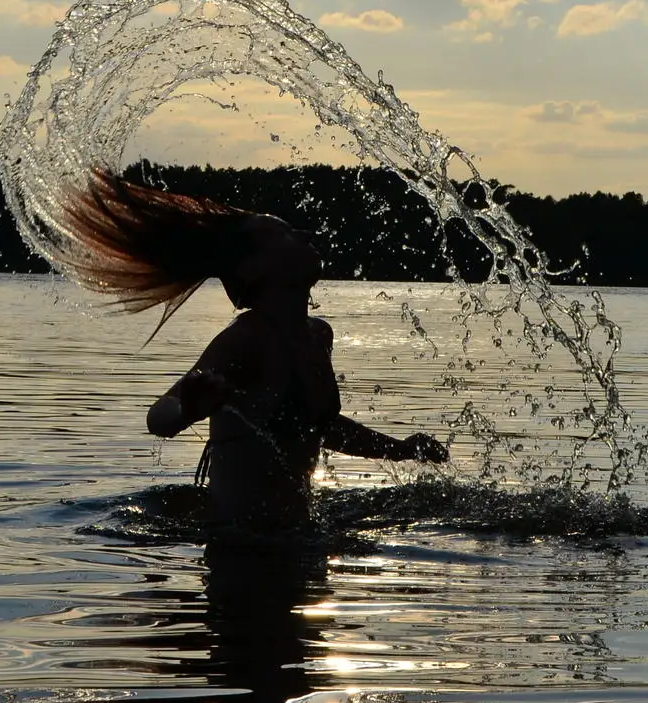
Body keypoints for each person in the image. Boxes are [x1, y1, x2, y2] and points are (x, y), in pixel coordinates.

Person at [59, 169, 447, 526]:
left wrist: (398, 450)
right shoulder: (244, 340)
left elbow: (316, 429)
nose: (305, 236)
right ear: (253, 270)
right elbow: (158, 417)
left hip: (292, 535)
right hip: (238, 545)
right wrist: (189, 410)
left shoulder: (318, 335)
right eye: (285, 234)